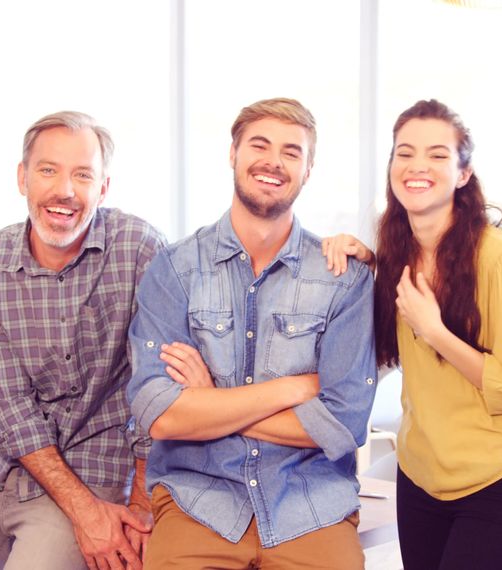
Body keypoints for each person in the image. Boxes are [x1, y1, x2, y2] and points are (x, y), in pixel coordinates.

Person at [126, 97, 377, 568]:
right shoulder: (174, 270)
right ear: (233, 154)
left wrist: (211, 399)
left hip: (312, 506)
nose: (273, 161)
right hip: (198, 503)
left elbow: (343, 425)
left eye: (292, 151)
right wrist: (293, 389)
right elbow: (158, 414)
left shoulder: (344, 277)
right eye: (259, 145)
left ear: (308, 169)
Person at [323, 99, 502, 569]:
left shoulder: (496, 257)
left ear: (464, 174)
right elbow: (381, 351)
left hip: (494, 479)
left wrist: (435, 331)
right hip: (421, 475)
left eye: (437, 155)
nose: (417, 166)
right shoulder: (397, 249)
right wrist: (364, 265)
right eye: (404, 153)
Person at [0, 111, 165, 570]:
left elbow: (153, 387)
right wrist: (86, 515)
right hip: (0, 461)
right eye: (48, 170)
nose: (64, 190)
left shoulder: (140, 250)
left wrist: (141, 505)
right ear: (22, 178)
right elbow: (11, 405)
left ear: (103, 188)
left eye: (82, 174)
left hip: (96, 460)